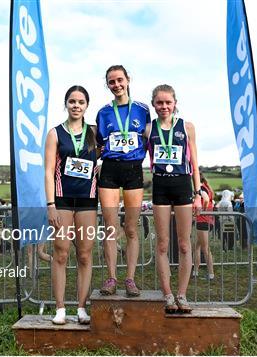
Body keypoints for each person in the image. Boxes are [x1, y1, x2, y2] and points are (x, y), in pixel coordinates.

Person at [146, 84, 203, 313]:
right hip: (160, 185)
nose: (164, 107)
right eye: (159, 103)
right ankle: (167, 294)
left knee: (184, 243)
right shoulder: (148, 129)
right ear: (153, 104)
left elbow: (195, 163)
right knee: (162, 244)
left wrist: (198, 193)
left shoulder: (187, 127)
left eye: (168, 102)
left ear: (175, 103)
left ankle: (182, 294)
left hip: (182, 185)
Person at [45, 85, 98, 325]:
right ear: (66, 104)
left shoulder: (95, 133)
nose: (76, 106)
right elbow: (48, 172)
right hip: (62, 201)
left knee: (85, 255)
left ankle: (81, 308)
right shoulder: (55, 133)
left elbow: (109, 157)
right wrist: (50, 205)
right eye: (72, 101)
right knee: (61, 253)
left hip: (87, 202)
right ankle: (60, 308)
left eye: (81, 102)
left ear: (87, 106)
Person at [96, 65, 151, 297]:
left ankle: (129, 278)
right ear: (107, 85)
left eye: (120, 80)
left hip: (133, 170)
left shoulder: (142, 109)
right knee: (110, 229)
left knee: (130, 228)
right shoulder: (103, 112)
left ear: (128, 79)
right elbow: (98, 145)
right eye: (111, 82)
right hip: (109, 169)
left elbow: (152, 138)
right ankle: (111, 278)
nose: (116, 85)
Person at [193, 172, 215, 280]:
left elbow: (206, 199)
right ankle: (195, 272)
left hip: (203, 221)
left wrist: (203, 211)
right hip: (207, 221)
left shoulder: (201, 188)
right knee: (196, 247)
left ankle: (211, 274)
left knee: (205, 249)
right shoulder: (206, 187)